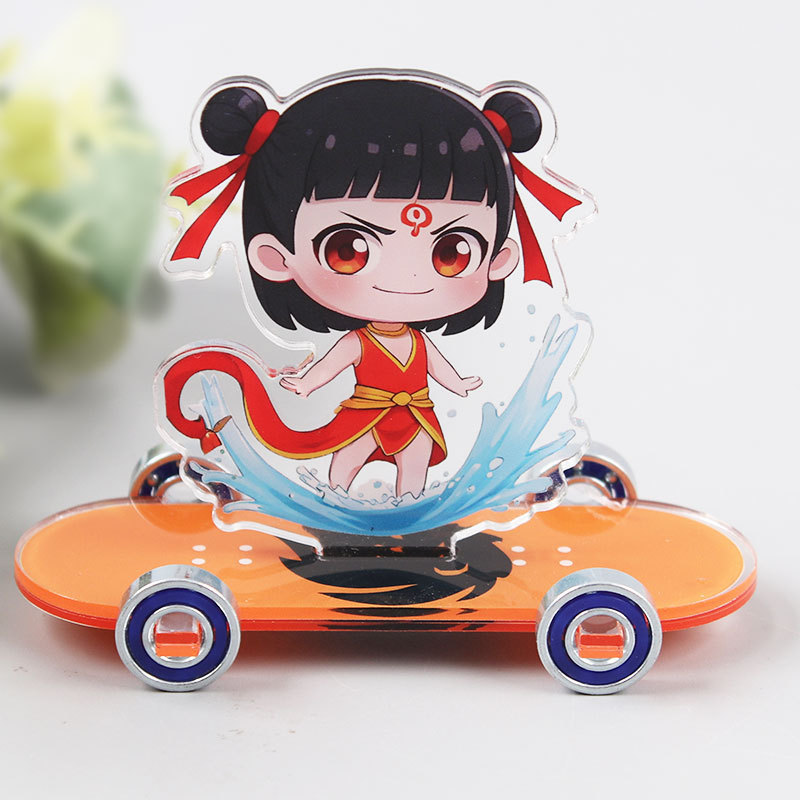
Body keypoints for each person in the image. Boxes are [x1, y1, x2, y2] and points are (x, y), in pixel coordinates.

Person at [162, 75, 579, 498]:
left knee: (415, 461)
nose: (407, 278)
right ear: (276, 257)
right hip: (366, 414)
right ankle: (336, 497)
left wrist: (458, 384)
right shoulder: (359, 342)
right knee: (346, 460)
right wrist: (307, 384)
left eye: (451, 252)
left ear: (499, 260)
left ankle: (409, 502)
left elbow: (439, 368)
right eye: (348, 250)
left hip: (417, 416)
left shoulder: (417, 342)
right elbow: (330, 368)